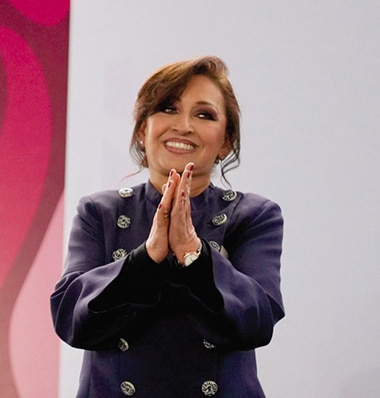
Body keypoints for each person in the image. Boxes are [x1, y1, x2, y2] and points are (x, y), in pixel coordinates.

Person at [51, 56, 284, 397]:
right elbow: (70, 317)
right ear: (143, 130)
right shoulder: (98, 212)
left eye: (204, 114)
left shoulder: (253, 215)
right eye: (168, 109)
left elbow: (258, 321)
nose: (184, 125)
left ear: (225, 142)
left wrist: (195, 254)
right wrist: (144, 260)